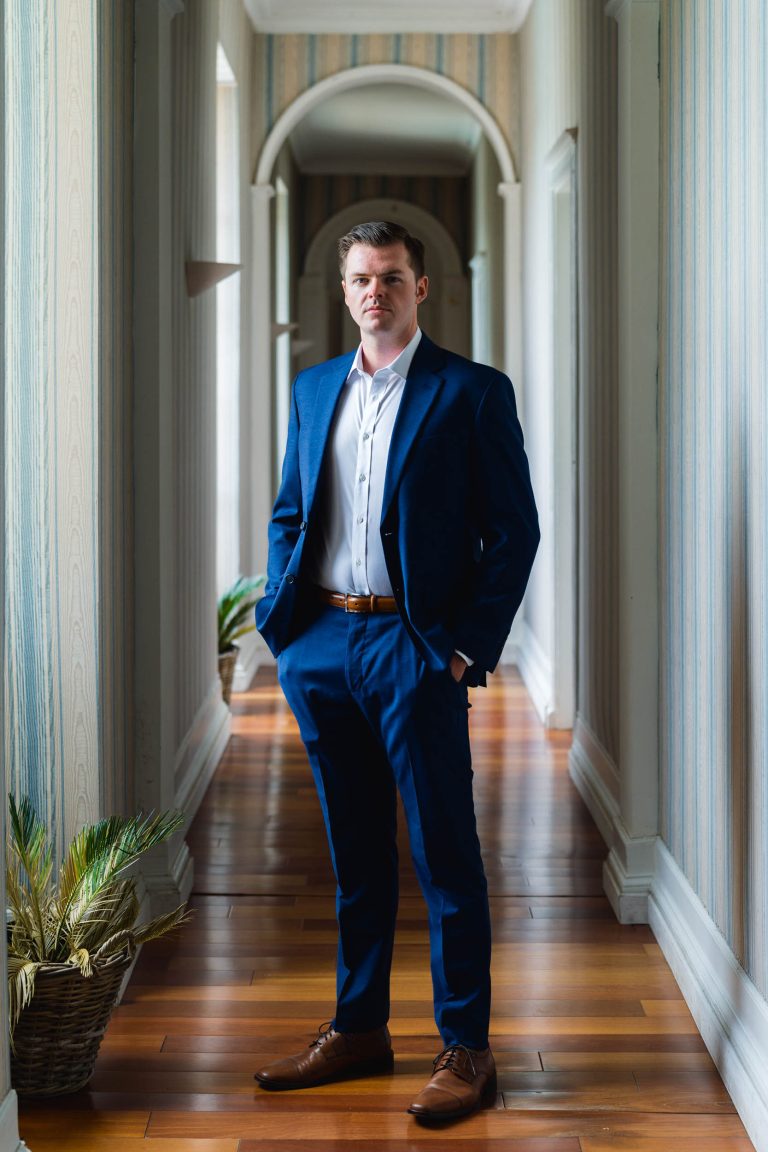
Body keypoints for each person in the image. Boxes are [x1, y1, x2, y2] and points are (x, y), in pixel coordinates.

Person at [253, 220, 539, 1121]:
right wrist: (282, 628)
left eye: (392, 277)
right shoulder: (309, 391)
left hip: (415, 652)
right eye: (361, 279)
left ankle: (467, 1048)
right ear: (345, 293)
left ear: (422, 289)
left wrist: (462, 649)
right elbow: (291, 513)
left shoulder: (471, 393)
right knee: (354, 853)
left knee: (444, 850)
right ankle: (359, 1028)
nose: (375, 291)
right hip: (325, 648)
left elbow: (514, 532)